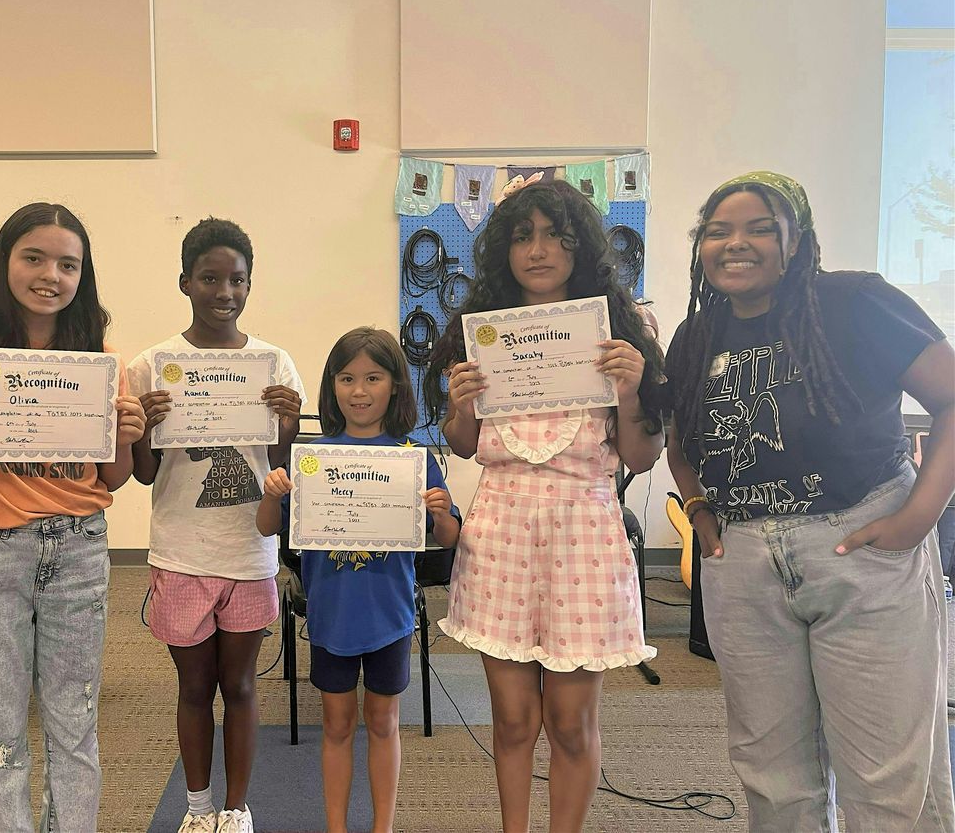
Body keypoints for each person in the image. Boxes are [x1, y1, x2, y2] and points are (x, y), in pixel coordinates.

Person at [665, 171, 955, 832]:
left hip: (859, 547)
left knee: (884, 777)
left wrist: (918, 518)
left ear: (797, 239)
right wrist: (698, 507)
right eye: (718, 230)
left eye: (760, 228)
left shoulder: (855, 302)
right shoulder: (696, 335)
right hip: (742, 561)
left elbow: (951, 398)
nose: (736, 243)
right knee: (771, 776)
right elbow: (680, 442)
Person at [423, 178, 664, 833]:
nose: (538, 250)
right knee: (511, 721)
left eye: (556, 235)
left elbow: (642, 457)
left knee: (570, 723)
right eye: (523, 235)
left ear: (580, 246)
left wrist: (632, 391)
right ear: (503, 248)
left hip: (584, 533)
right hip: (500, 531)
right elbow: (465, 444)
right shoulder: (483, 333)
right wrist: (460, 405)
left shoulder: (622, 331)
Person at [0, 203, 146, 832]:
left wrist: (126, 437)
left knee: (75, 724)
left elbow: (110, 479)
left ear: (83, 276)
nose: (51, 275)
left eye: (68, 265)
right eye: (34, 258)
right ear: (5, 262)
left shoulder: (99, 357)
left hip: (78, 549)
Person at [128, 217, 304, 833]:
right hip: (181, 551)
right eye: (209, 278)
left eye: (237, 280)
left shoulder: (274, 364)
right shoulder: (151, 366)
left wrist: (288, 423)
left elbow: (281, 468)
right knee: (194, 689)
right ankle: (198, 807)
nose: (224, 292)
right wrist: (144, 425)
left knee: (242, 687)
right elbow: (144, 474)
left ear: (250, 285)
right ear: (185, 281)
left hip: (249, 550)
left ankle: (237, 809)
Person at [255, 326, 461, 833]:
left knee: (385, 723)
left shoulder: (414, 458)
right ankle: (336, 826)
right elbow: (265, 527)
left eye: (373, 378)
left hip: (390, 616)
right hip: (331, 617)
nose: (360, 391)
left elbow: (450, 536)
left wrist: (439, 512)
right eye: (347, 378)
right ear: (332, 386)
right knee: (337, 724)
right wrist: (272, 494)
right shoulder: (313, 458)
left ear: (395, 385)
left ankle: (382, 826)